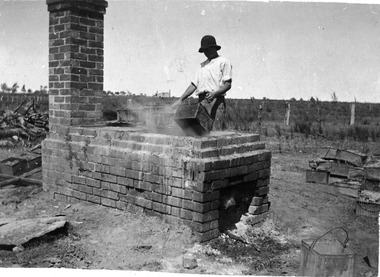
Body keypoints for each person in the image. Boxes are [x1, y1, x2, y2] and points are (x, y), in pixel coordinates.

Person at [172, 35, 232, 130]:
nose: (206, 53)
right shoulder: (203, 66)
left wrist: (215, 94)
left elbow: (228, 85)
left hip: (216, 101)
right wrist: (181, 99)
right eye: (204, 51)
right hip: (201, 102)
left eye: (207, 50)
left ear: (213, 48)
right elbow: (194, 84)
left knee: (215, 133)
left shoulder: (223, 62)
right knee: (201, 132)